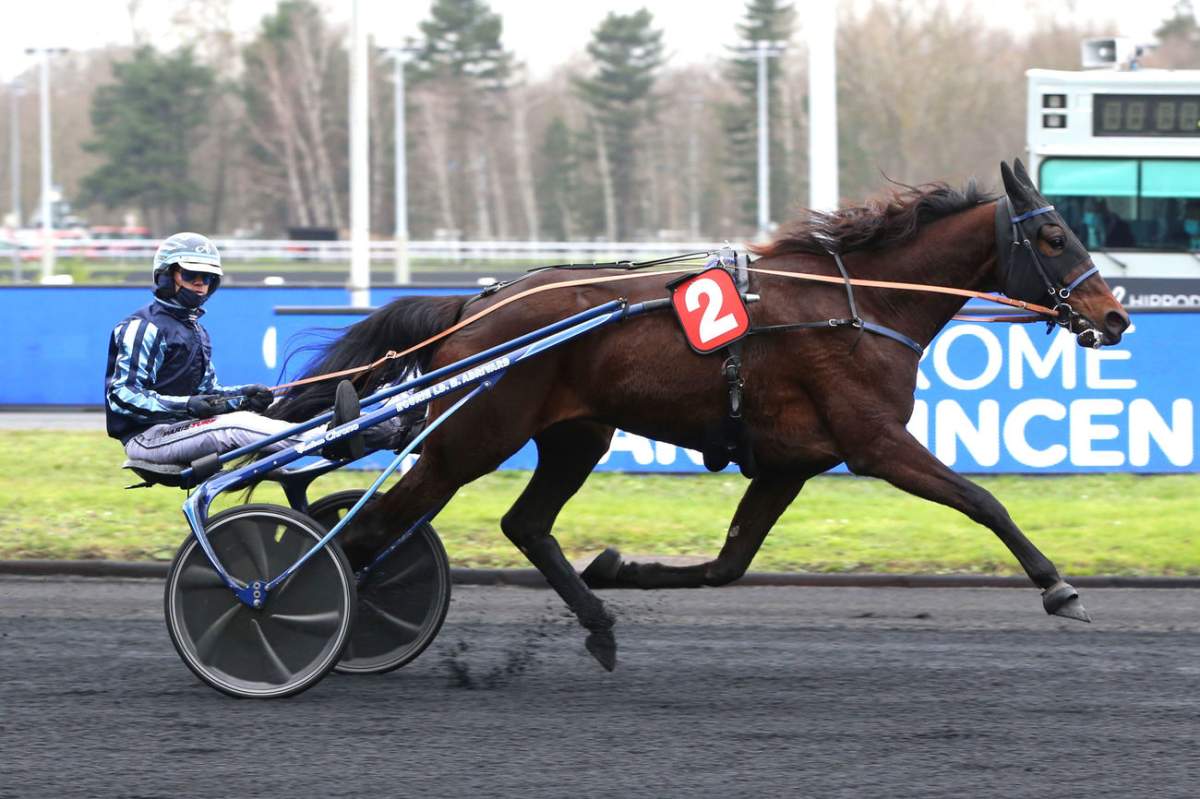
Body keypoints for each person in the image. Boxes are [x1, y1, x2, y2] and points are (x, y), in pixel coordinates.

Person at [104, 232, 327, 466]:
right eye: (191, 274)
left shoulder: (196, 331)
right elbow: (122, 396)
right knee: (233, 425)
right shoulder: (142, 327)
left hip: (183, 429)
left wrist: (243, 397)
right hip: (147, 437)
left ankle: (349, 426)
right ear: (167, 277)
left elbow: (207, 393)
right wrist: (187, 405)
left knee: (280, 401)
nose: (201, 282)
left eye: (208, 276)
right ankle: (324, 439)